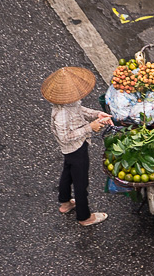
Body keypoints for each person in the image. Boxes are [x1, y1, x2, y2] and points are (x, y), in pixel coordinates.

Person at [41, 66, 113, 226]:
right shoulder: (61, 116)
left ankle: (65, 203)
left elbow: (79, 109)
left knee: (67, 173)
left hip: (71, 151)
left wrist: (96, 114)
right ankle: (84, 216)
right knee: (81, 183)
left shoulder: (65, 104)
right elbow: (65, 137)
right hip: (75, 149)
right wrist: (90, 127)